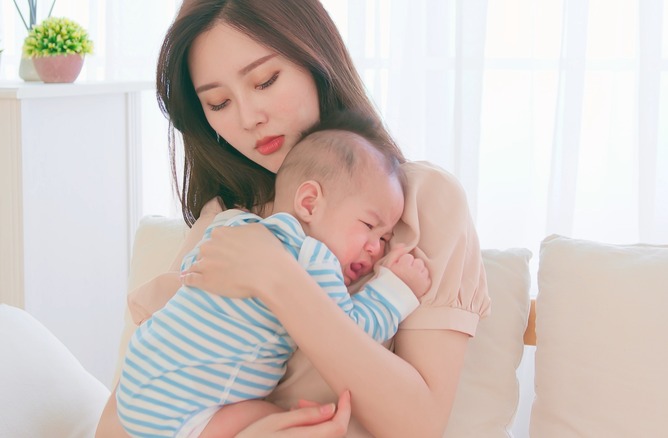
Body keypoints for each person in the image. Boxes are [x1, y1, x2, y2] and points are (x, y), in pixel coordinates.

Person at [97, 1, 490, 436]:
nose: (249, 118)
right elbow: (119, 420)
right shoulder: (225, 222)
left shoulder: (422, 201)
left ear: (314, 57)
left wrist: (276, 277)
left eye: (265, 81)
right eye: (219, 102)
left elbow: (419, 427)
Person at [116, 114, 432, 438]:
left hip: (137, 387)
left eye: (384, 239)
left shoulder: (231, 223)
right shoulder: (313, 257)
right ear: (309, 203)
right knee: (281, 418)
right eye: (369, 226)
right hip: (185, 414)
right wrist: (396, 289)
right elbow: (354, 330)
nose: (376, 250)